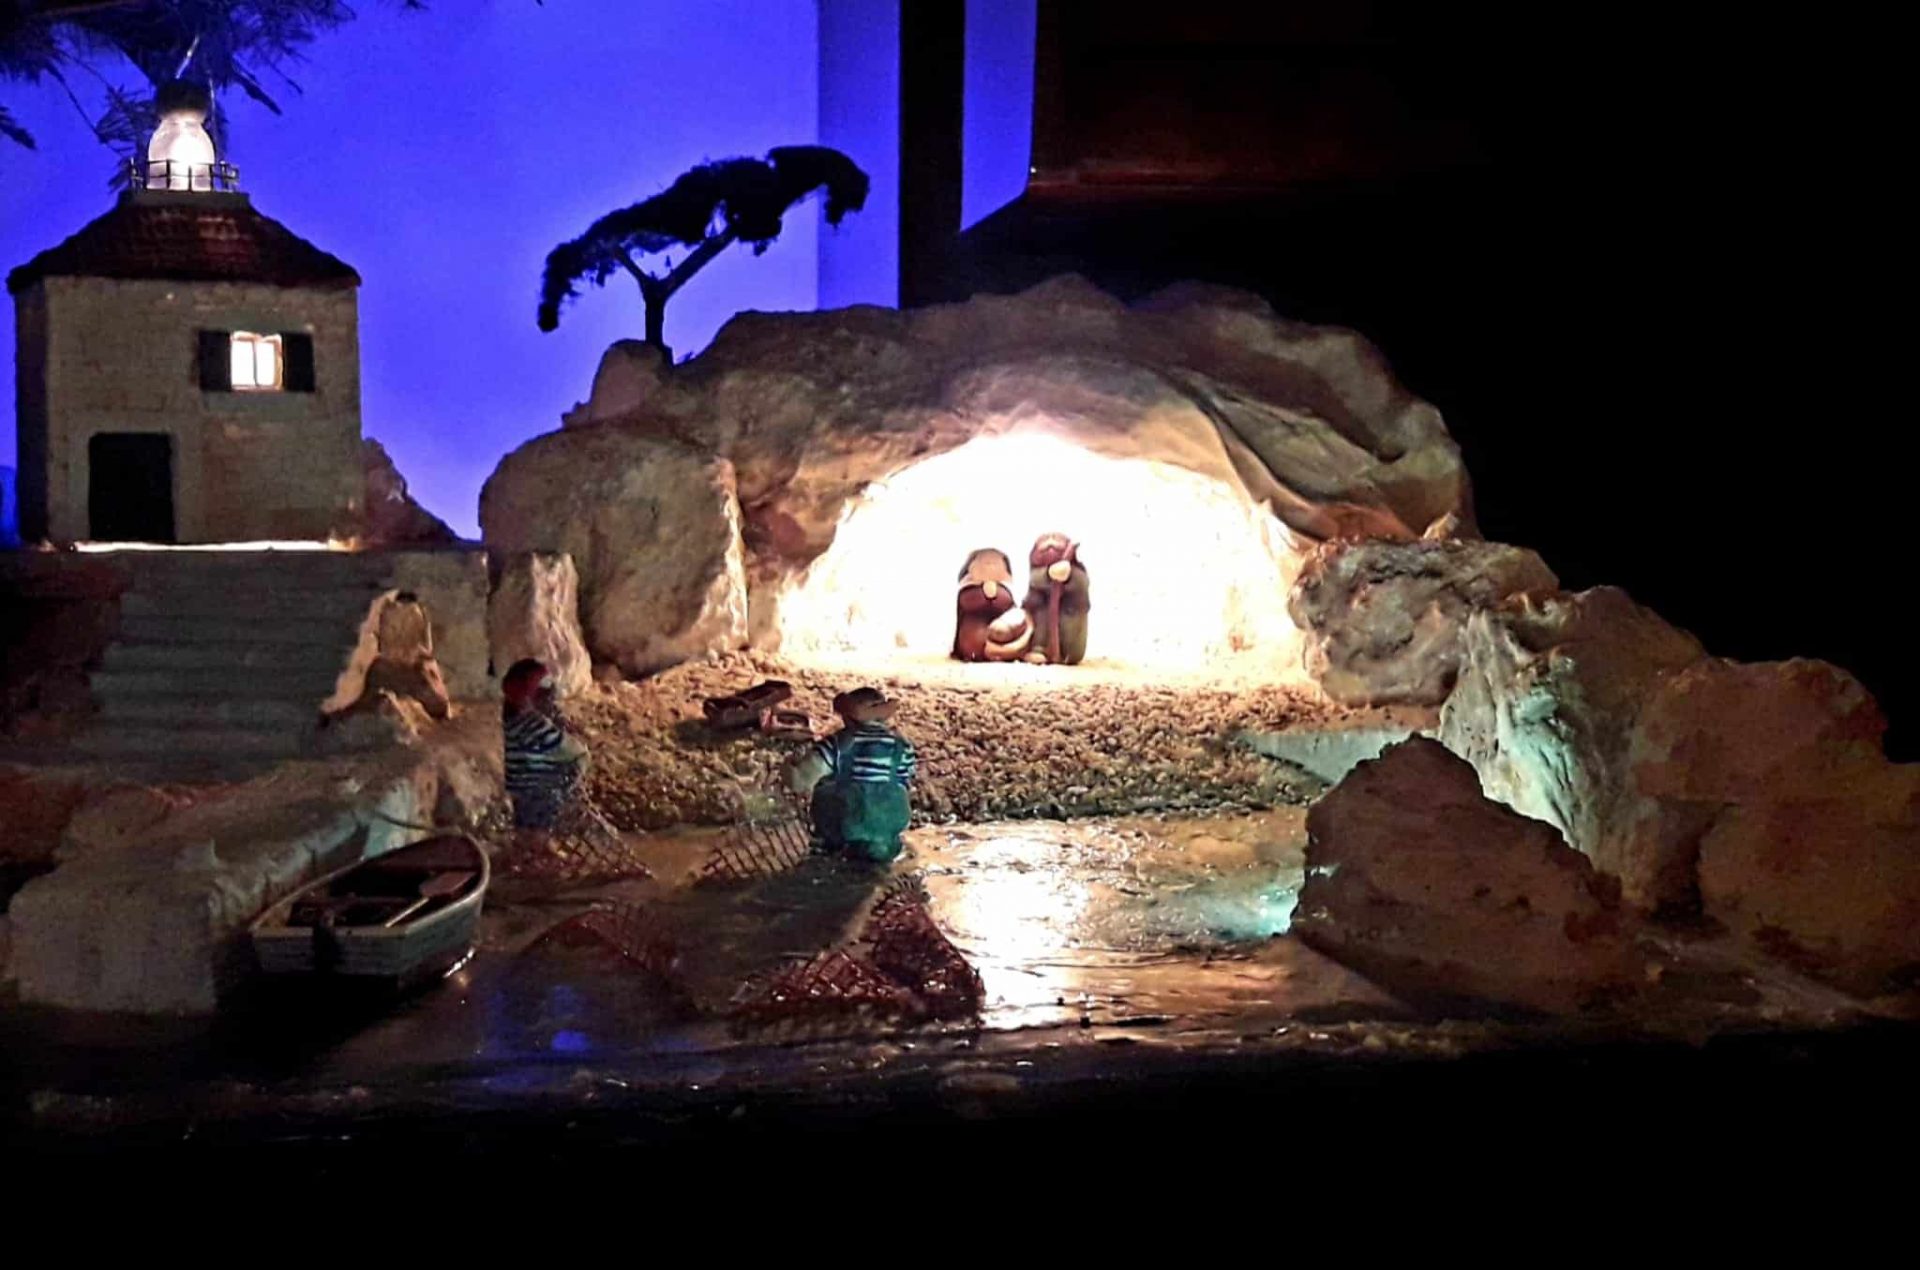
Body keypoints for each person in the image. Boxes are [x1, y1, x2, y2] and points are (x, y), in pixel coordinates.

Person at [787, 687, 917, 863]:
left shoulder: (838, 744)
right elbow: (903, 782)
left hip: (841, 832)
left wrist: (787, 765)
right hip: (886, 836)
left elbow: (799, 782)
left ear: (847, 718)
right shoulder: (902, 747)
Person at [501, 657, 589, 833]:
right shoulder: (534, 725)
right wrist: (568, 787)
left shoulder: (513, 723)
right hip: (540, 795)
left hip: (523, 796)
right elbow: (579, 754)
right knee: (537, 838)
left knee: (526, 837)